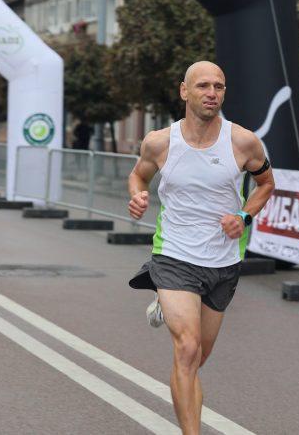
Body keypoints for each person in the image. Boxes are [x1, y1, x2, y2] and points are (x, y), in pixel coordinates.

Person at [126, 61, 274, 434]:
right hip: (174, 255)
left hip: (222, 261)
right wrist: (138, 196)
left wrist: (243, 216)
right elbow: (139, 175)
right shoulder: (160, 142)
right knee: (187, 349)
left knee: (196, 360)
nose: (212, 93)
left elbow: (266, 184)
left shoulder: (243, 142)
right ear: (184, 91)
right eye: (203, 86)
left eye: (218, 87)